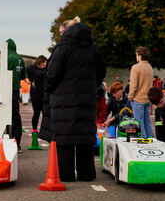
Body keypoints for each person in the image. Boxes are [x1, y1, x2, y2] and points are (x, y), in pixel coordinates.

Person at [46, 22, 106, 182]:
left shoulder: (63, 47)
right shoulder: (93, 48)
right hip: (87, 98)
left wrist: (50, 87)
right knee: (85, 137)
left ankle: (66, 175)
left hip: (64, 98)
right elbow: (101, 72)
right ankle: (86, 174)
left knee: (65, 138)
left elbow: (52, 71)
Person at [128, 46, 154, 138]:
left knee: (139, 122)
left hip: (138, 99)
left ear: (140, 56)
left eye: (136, 55)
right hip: (148, 99)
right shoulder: (150, 67)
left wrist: (130, 97)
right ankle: (151, 140)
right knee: (147, 122)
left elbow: (133, 85)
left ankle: (143, 141)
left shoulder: (135, 67)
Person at [6, 38, 27, 152]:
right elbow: (23, 76)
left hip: (7, 89)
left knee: (5, 115)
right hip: (16, 90)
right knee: (16, 115)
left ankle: (7, 142)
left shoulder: (7, 58)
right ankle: (17, 142)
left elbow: (2, 72)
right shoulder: (20, 58)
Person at [27, 55, 47, 131]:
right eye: (44, 62)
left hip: (44, 93)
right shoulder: (32, 68)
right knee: (36, 113)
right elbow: (24, 72)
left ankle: (45, 130)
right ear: (40, 62)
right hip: (35, 93)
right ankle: (34, 130)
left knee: (45, 114)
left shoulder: (46, 68)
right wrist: (30, 78)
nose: (45, 64)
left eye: (45, 62)